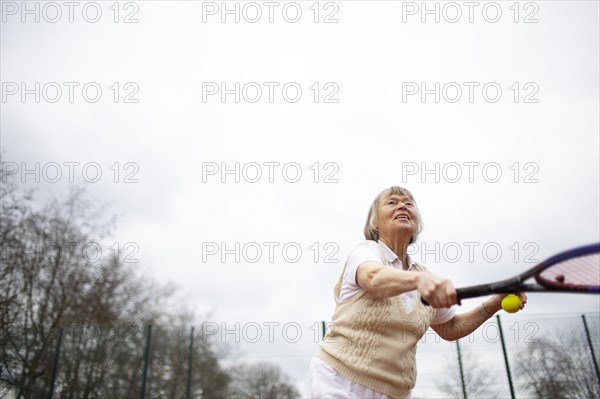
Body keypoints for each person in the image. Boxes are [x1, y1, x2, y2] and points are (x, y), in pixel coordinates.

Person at [305, 186, 526, 399]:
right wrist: (420, 281)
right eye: (392, 202)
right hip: (339, 380)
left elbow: (450, 327)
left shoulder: (422, 274)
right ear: (374, 222)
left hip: (395, 392)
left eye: (408, 204)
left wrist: (493, 305)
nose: (402, 206)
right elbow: (373, 277)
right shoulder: (367, 252)